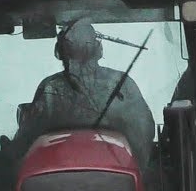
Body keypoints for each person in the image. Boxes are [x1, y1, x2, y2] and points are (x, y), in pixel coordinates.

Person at [10, 19, 156, 162]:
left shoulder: (120, 84)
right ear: (98, 48)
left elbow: (143, 131)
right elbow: (143, 133)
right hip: (77, 169)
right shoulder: (121, 83)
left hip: (69, 170)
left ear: (60, 51)